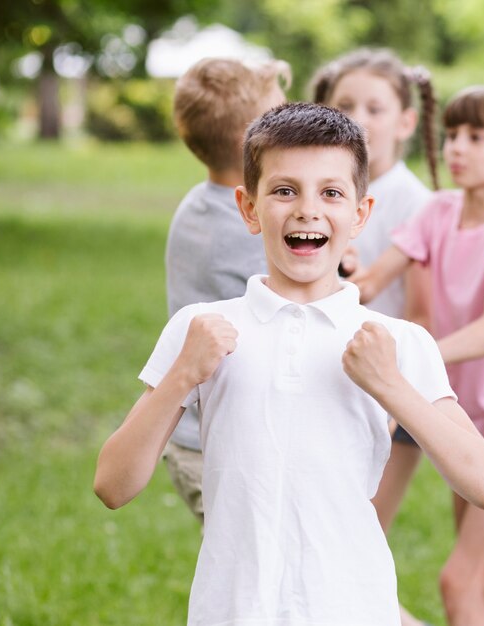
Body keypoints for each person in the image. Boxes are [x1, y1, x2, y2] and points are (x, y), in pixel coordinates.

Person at [94, 102, 484, 626]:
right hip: (232, 611)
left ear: (360, 214)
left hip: (353, 609)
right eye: (284, 190)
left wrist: (391, 387)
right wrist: (181, 376)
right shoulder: (201, 330)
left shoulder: (398, 343)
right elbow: (113, 484)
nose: (308, 209)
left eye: (331, 192)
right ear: (248, 208)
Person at [350, 86, 484, 626]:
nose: (456, 148)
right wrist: (332, 259)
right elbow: (372, 280)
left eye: (475, 136)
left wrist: (413, 358)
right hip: (469, 424)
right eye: (450, 136)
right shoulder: (438, 212)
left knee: (460, 582)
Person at [310, 48, 439, 626]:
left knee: (349, 557)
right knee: (330, 560)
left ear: (406, 122)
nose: (359, 118)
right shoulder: (321, 191)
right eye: (345, 106)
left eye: (375, 107)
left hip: (389, 398)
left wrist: (388, 408)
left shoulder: (416, 204)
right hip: (331, 388)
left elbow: (421, 319)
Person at [164, 57, 290, 522]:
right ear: (249, 143)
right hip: (223, 449)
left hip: (200, 438)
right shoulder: (246, 230)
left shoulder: (200, 204)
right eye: (280, 116)